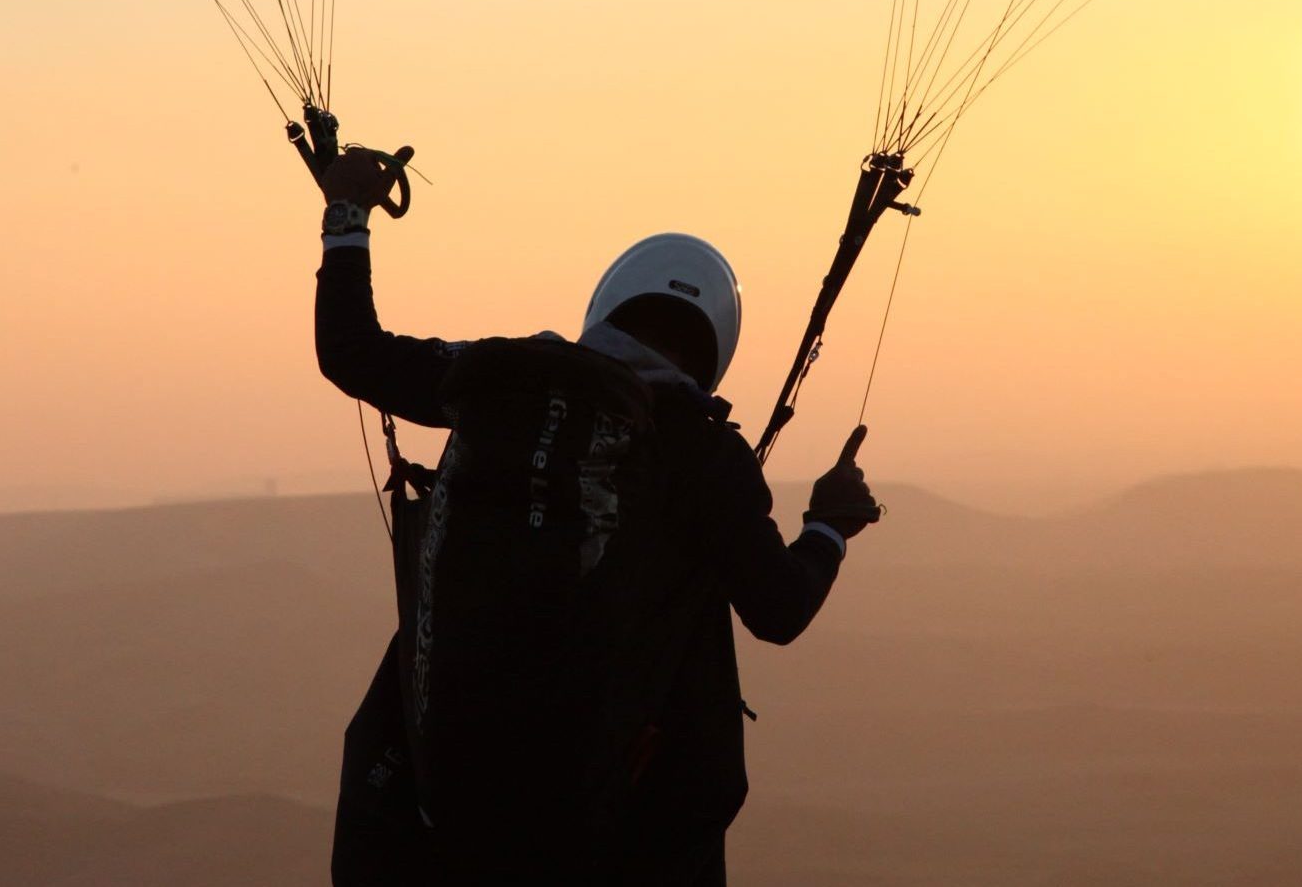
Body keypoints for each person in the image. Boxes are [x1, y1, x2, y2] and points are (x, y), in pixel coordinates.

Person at [312, 145, 882, 885]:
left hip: (444, 811)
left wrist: (347, 215)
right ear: (712, 346)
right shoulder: (703, 452)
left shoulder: (494, 379)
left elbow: (351, 353)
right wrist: (829, 526)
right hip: (617, 838)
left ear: (609, 304)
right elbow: (778, 606)